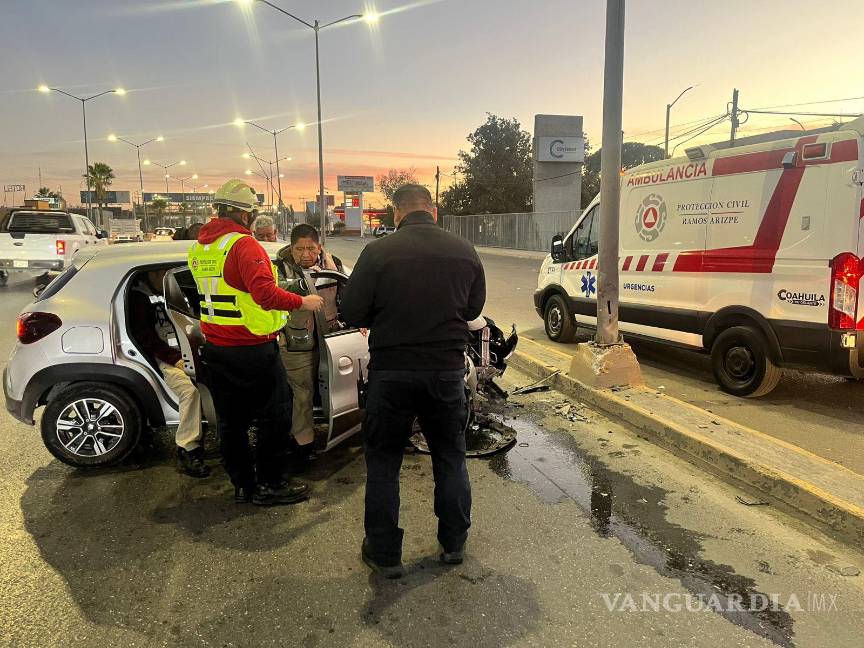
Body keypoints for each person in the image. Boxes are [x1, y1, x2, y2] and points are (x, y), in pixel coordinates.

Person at [342, 183, 486, 578]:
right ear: (433, 211)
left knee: (384, 463)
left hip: (392, 374)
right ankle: (453, 543)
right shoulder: (465, 250)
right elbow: (473, 308)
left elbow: (352, 311)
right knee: (450, 457)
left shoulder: (378, 252)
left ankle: (385, 553)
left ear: (396, 213)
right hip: (445, 373)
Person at [189, 179, 323, 506]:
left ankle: (243, 485)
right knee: (275, 417)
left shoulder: (201, 248)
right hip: (252, 348)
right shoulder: (243, 245)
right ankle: (271, 485)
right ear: (246, 214)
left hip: (217, 348)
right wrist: (302, 301)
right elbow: (264, 294)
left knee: (231, 423)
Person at [129, 268, 209, 478]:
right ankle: (188, 447)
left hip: (192, 351)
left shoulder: (176, 291)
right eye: (163, 273)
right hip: (169, 358)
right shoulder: (140, 299)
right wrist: (176, 360)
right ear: (152, 274)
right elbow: (146, 337)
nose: (168, 277)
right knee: (189, 392)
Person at [275, 224, 343, 454]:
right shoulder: (279, 268)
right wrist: (304, 283)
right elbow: (275, 291)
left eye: (310, 248)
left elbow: (346, 294)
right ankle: (303, 444)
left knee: (334, 387)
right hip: (295, 342)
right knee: (301, 393)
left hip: (331, 338)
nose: (305, 254)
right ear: (291, 248)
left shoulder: (334, 264)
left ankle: (339, 429)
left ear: (319, 247)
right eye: (299, 249)